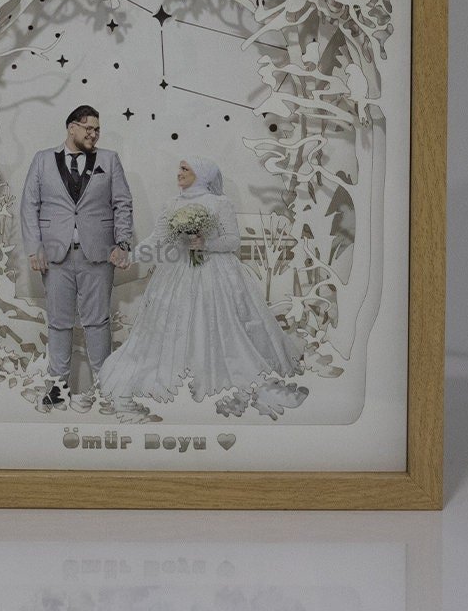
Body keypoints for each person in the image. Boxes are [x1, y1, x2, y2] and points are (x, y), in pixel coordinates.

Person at [97, 155, 308, 420]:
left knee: (218, 323)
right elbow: (158, 240)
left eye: (185, 168)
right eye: (179, 167)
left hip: (215, 273)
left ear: (202, 173)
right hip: (178, 273)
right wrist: (131, 257)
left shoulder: (219, 203)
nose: (179, 172)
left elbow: (232, 241)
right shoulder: (172, 204)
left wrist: (205, 244)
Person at [20, 105, 134, 410]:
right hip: (54, 256)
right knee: (59, 323)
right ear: (72, 128)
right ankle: (58, 389)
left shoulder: (109, 160)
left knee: (98, 322)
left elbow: (123, 203)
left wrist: (123, 244)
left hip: (98, 254)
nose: (94, 134)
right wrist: (34, 248)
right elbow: (29, 205)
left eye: (97, 129)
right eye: (88, 128)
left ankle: (104, 388)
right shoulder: (42, 159)